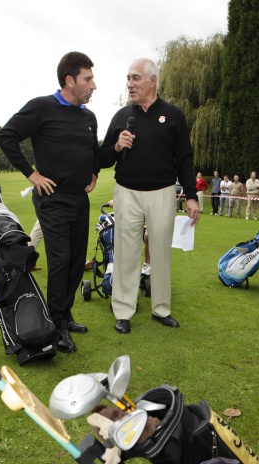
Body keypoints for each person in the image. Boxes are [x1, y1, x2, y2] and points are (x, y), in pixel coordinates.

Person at [0, 51, 99, 353]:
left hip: (79, 199)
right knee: (60, 260)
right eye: (88, 79)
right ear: (70, 80)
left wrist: (94, 169)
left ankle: (64, 314)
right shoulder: (42, 107)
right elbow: (7, 136)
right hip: (52, 199)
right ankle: (56, 325)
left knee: (76, 261)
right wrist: (32, 174)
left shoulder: (88, 117)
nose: (94, 85)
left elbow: (93, 152)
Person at [99, 57, 200, 334]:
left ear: (152, 81)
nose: (130, 84)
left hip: (163, 192)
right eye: (128, 78)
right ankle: (123, 310)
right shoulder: (121, 117)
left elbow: (185, 159)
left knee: (160, 253)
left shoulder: (174, 115)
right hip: (126, 192)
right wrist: (117, 147)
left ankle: (161, 310)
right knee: (126, 252)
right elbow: (103, 157)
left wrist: (191, 196)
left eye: (135, 78)